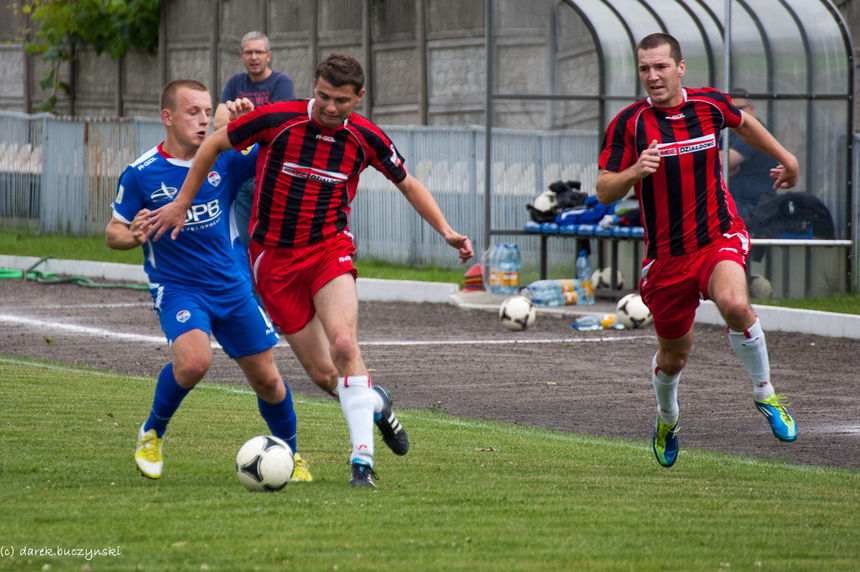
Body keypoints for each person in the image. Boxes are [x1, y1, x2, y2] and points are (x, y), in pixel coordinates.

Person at [144, 53, 474, 488]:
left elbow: (407, 183)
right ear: (313, 88)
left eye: (340, 100)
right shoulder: (278, 118)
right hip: (274, 262)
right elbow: (213, 144)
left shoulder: (366, 137)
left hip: (328, 250)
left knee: (343, 341)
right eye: (322, 96)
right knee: (324, 376)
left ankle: (362, 465)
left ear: (359, 97)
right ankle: (375, 403)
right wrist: (182, 203)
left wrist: (446, 230)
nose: (330, 107)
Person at [595, 33, 799, 469]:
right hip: (667, 258)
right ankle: (668, 417)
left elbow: (744, 123)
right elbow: (603, 190)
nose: (653, 76)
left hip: (717, 236)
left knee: (734, 303)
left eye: (661, 66)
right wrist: (635, 170)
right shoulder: (629, 124)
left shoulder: (708, 105)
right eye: (645, 68)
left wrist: (788, 158)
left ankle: (766, 394)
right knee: (674, 357)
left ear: (680, 67)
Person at [105, 79, 311, 482]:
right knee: (196, 362)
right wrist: (135, 234)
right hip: (179, 287)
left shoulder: (224, 158)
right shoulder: (142, 174)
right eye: (191, 112)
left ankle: (290, 454)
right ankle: (152, 433)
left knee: (269, 381)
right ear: (167, 117)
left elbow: (271, 148)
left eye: (205, 111)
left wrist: (247, 121)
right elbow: (113, 232)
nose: (201, 120)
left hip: (231, 287)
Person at [214, 31, 295, 252]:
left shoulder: (281, 83)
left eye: (259, 52)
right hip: (241, 174)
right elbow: (218, 122)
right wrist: (254, 121)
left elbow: (276, 125)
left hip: (270, 174)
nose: (254, 57)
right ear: (241, 55)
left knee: (274, 243)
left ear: (269, 55)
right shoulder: (235, 83)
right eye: (249, 52)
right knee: (246, 245)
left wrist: (240, 121)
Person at [725, 89, 779, 219]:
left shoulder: (754, 131)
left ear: (751, 108)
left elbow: (724, 160)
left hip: (755, 208)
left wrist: (722, 165)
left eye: (739, 109)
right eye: (730, 111)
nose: (735, 114)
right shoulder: (730, 133)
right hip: (739, 204)